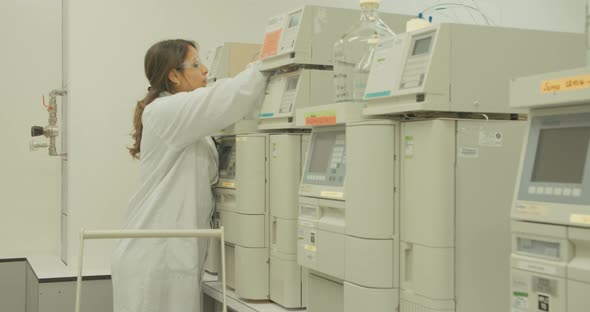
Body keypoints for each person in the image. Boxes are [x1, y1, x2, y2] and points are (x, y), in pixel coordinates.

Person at [111, 39, 268, 312]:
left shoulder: (179, 116)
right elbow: (222, 98)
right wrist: (265, 64)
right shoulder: (165, 110)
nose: (205, 69)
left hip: (169, 257)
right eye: (196, 64)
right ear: (173, 75)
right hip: (156, 259)